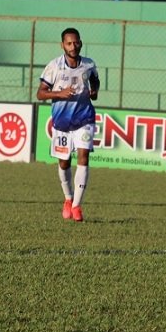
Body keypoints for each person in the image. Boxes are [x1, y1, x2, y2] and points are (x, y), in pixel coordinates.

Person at [36, 27, 100, 222]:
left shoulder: (89, 64)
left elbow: (95, 81)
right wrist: (59, 94)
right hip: (62, 122)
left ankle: (77, 206)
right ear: (62, 45)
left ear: (81, 43)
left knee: (84, 156)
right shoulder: (54, 66)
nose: (73, 46)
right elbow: (40, 93)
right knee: (64, 162)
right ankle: (68, 198)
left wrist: (94, 91)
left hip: (84, 119)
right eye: (69, 43)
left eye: (76, 42)